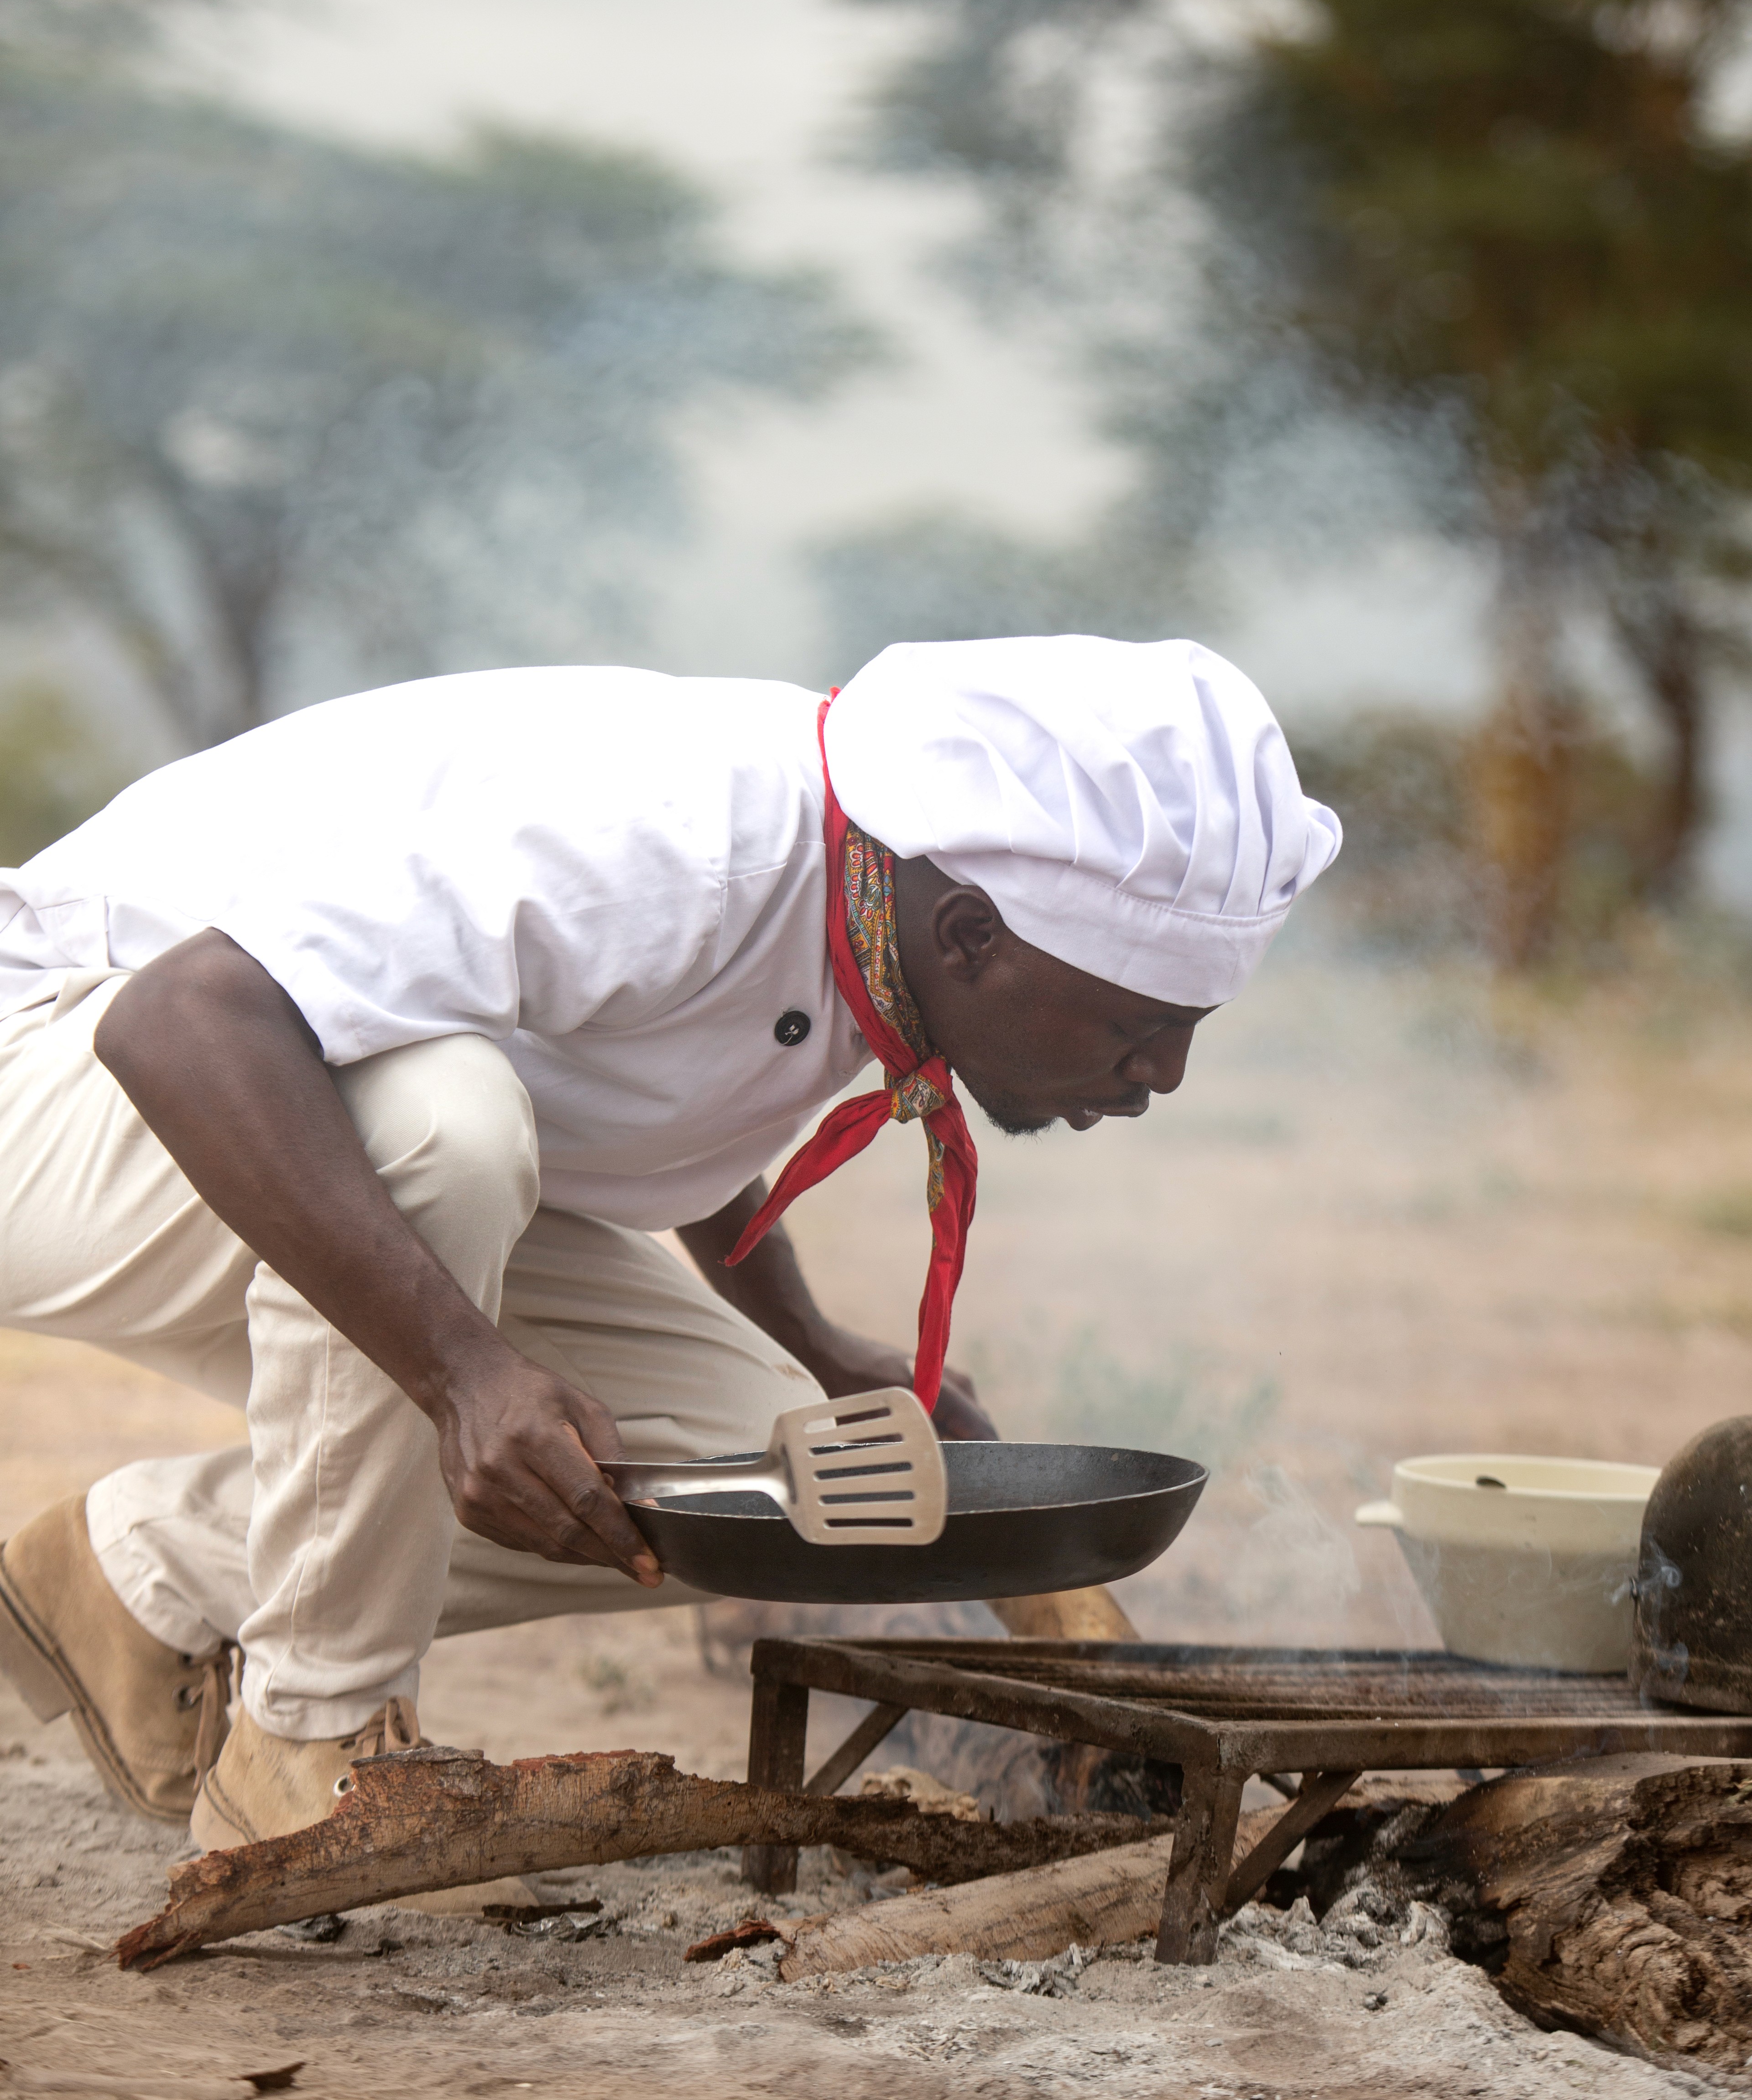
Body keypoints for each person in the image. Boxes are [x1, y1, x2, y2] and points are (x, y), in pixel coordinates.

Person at [0, 635, 1339, 1849]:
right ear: (974, 934)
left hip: (237, 1087)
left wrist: (810, 1345)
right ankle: (306, 1747)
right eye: (1136, 1022)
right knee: (441, 1125)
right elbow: (185, 1021)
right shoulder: (678, 847)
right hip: (66, 1053)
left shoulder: (870, 894)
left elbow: (646, 1081)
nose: (1162, 1072)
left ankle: (143, 1574)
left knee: (779, 1479)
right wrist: (467, 1371)